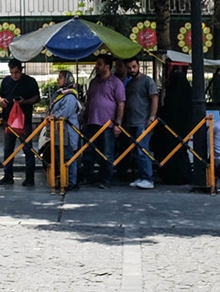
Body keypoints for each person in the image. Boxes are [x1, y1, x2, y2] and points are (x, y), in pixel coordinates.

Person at [81, 55, 126, 188]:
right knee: (89, 151)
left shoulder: (116, 83)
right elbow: (89, 101)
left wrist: (118, 123)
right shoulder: (94, 82)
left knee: (107, 152)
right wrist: (85, 119)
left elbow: (121, 104)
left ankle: (106, 179)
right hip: (92, 122)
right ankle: (88, 177)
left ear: (107, 66)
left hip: (108, 124)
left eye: (99, 64)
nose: (97, 67)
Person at [0, 58, 41, 186]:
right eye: (11, 73)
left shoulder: (30, 81)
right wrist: (0, 100)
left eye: (16, 72)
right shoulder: (6, 81)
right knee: (8, 149)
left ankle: (30, 177)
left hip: (24, 120)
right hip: (8, 120)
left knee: (27, 149)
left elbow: (37, 98)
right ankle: (8, 175)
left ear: (21, 70)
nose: (14, 75)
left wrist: (25, 102)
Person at [124, 58, 159, 190]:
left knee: (142, 150)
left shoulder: (147, 81)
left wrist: (151, 117)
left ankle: (147, 178)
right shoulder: (129, 83)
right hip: (132, 122)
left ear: (138, 66)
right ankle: (142, 176)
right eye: (129, 67)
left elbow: (154, 98)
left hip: (142, 122)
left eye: (133, 67)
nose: (131, 70)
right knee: (136, 152)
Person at [49, 70, 82, 192]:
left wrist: (52, 116)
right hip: (58, 132)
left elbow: (64, 113)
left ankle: (72, 182)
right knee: (59, 157)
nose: (58, 80)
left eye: (61, 78)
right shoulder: (59, 95)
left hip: (67, 132)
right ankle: (63, 179)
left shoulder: (70, 97)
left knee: (69, 157)